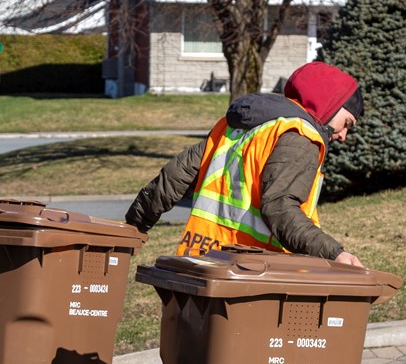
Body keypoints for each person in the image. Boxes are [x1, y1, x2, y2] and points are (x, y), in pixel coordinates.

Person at [125, 61, 365, 267]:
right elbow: (280, 209)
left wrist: (135, 227)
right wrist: (334, 253)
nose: (343, 135)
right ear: (330, 103)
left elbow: (174, 176)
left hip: (201, 257)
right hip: (254, 270)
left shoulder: (236, 128)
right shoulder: (301, 137)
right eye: (347, 123)